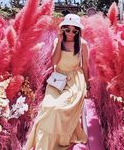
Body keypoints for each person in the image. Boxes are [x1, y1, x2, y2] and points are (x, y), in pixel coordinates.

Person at [24, 14, 89, 150]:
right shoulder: (57, 41)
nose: (71, 33)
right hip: (58, 78)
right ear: (62, 29)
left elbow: (85, 66)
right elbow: (54, 62)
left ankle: (59, 140)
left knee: (59, 108)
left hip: (75, 80)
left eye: (74, 30)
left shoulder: (82, 44)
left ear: (78, 31)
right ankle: (43, 144)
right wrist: (59, 41)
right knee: (48, 107)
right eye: (67, 29)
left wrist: (87, 86)